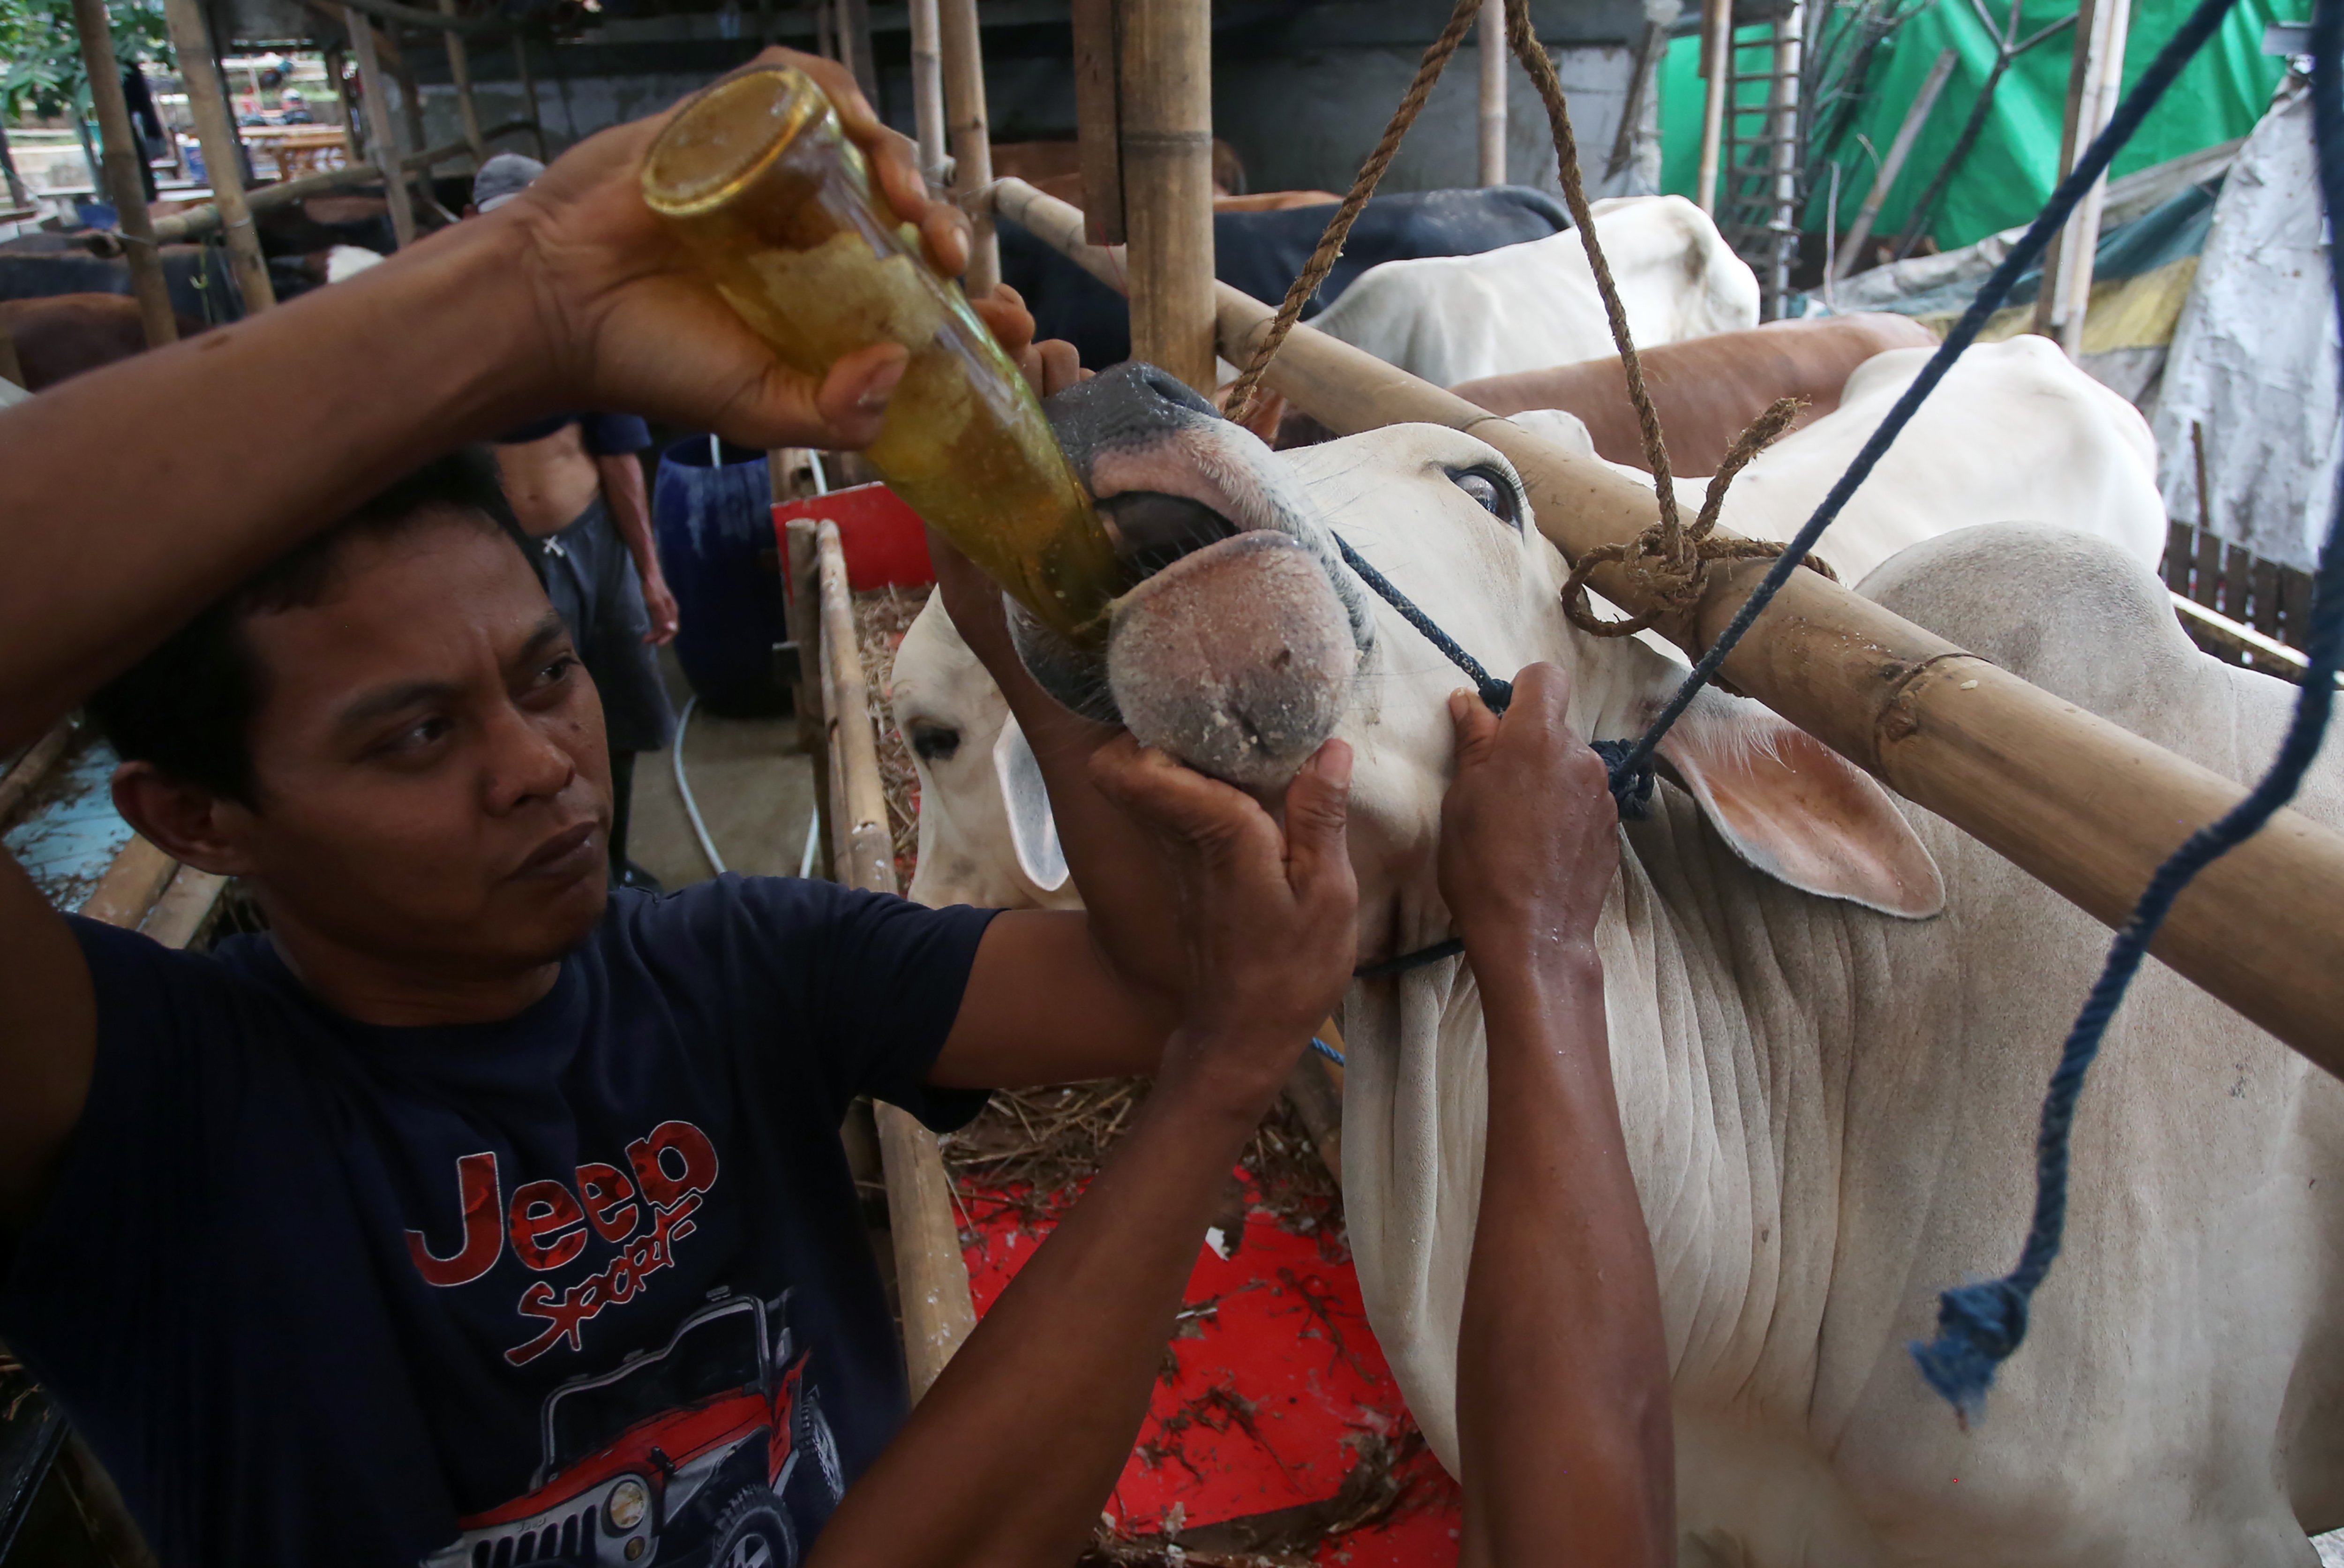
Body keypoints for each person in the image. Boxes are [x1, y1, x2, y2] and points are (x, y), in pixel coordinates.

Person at [0, 49, 1670, 1568]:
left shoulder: (725, 968)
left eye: (542, 675)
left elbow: (1155, 982)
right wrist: (524, 295)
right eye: (412, 737)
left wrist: (1021, 618)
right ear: (194, 817)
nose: (536, 763)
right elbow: (1203, 1034)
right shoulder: (141, 1124)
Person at [473, 150, 683, 891]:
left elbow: (623, 458)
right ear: (478, 230)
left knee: (619, 700)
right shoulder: (457, 336)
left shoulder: (585, 317)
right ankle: (555, 871)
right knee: (530, 711)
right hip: (511, 555)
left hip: (594, 536)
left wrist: (651, 575)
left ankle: (613, 858)